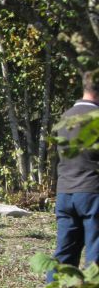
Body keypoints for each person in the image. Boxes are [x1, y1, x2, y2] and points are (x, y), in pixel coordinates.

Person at [53, 70, 99, 275]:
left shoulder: (65, 117)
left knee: (64, 254)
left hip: (65, 192)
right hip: (92, 193)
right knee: (95, 257)